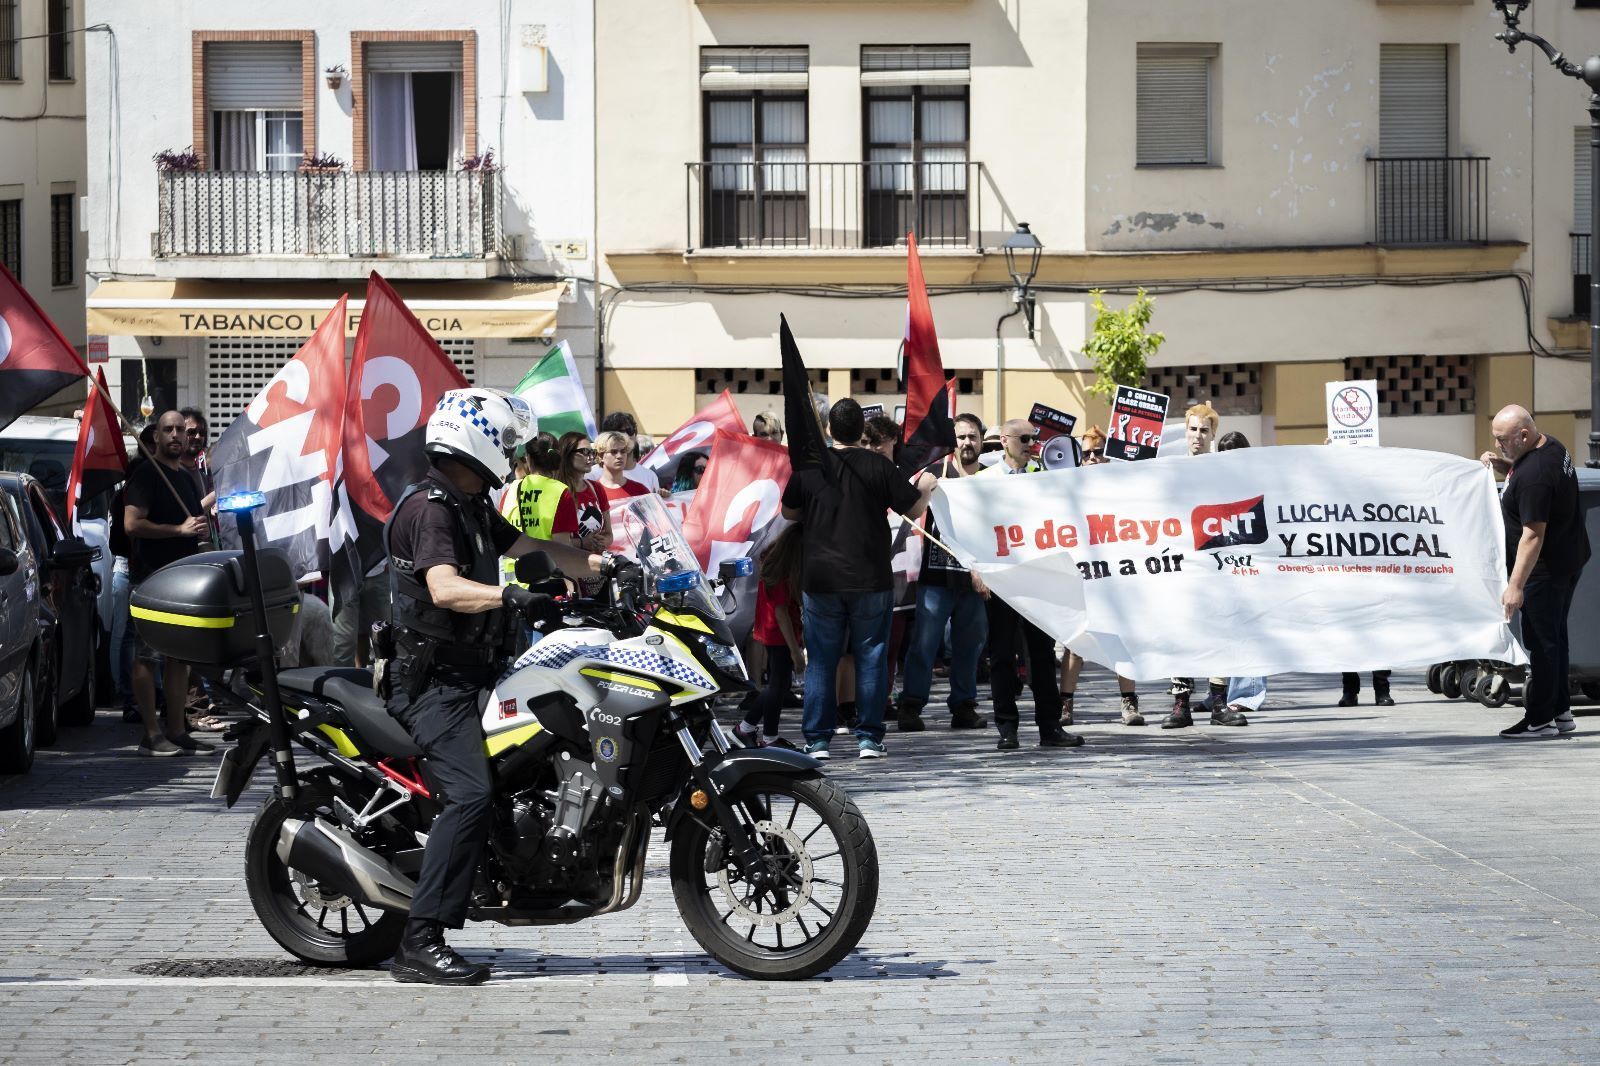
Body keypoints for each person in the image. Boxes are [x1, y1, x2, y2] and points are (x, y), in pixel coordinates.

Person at [384, 387, 607, 985]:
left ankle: (537, 866)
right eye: (505, 440)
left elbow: (534, 547)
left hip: (479, 669)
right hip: (434, 685)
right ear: (473, 438)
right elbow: (444, 588)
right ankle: (420, 940)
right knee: (470, 794)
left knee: (548, 741)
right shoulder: (433, 507)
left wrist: (607, 567)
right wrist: (510, 595)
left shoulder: (472, 501)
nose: (511, 451)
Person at [781, 398, 935, 760]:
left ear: (830, 430)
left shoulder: (810, 468)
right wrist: (927, 487)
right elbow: (913, 508)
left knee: (821, 659)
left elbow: (789, 511)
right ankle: (868, 737)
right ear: (860, 432)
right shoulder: (878, 466)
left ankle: (818, 740)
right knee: (871, 657)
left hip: (820, 579)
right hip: (870, 578)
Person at [1481, 405, 1591, 738]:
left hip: (1543, 572)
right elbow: (1532, 474)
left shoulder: (1534, 478)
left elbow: (1532, 535)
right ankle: (1561, 712)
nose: (1498, 445)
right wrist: (1506, 466)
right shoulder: (1551, 446)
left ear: (1523, 435)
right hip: (1568, 559)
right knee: (1555, 638)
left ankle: (1540, 719)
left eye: (1502, 440)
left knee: (1542, 645)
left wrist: (1516, 586)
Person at [980, 419, 1084, 750]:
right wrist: (976, 570)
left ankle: (1049, 726)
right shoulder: (986, 481)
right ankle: (1007, 728)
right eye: (1024, 438)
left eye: (1034, 438)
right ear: (1005, 440)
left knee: (1041, 654)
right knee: (1001, 655)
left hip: (1038, 579)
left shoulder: (1042, 478)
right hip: (1002, 579)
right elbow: (975, 528)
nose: (1030, 444)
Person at [896, 413, 990, 731]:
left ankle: (963, 706)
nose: (966, 442)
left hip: (975, 576)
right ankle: (910, 705)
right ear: (952, 442)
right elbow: (913, 512)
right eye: (961, 437)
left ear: (981, 440)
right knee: (924, 643)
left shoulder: (992, 479)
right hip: (936, 575)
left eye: (972, 436)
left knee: (969, 644)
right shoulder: (935, 473)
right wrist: (924, 489)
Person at [125, 410, 210, 757]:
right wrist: (179, 530)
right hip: (152, 579)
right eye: (168, 430)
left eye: (180, 430)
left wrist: (200, 534)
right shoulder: (147, 474)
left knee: (179, 659)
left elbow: (193, 527)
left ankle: (177, 729)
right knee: (148, 656)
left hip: (183, 581)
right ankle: (150, 734)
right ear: (156, 437)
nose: (176, 435)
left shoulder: (187, 479)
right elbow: (132, 524)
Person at [1164, 403, 1248, 729]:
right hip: (1181, 564)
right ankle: (1181, 703)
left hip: (1217, 564)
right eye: (1193, 429)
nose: (1197, 436)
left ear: (1213, 435)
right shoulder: (1170, 471)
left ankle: (1218, 702)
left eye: (1204, 430)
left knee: (1221, 628)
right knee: (1180, 629)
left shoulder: (1224, 473)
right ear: (1185, 431)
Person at [734, 524, 803, 750]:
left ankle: (757, 731)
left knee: (778, 685)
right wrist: (795, 650)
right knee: (777, 686)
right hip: (779, 634)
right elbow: (781, 612)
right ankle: (752, 731)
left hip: (774, 631)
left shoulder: (774, 562)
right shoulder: (783, 570)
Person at [595, 411, 662, 493]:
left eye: (629, 430)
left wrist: (666, 498)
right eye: (620, 432)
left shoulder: (650, 476)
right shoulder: (592, 475)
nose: (626, 435)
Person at [592, 430, 653, 509]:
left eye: (623, 451)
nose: (619, 456)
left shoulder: (640, 490)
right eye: (614, 452)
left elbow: (654, 517)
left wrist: (665, 497)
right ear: (600, 456)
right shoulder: (592, 492)